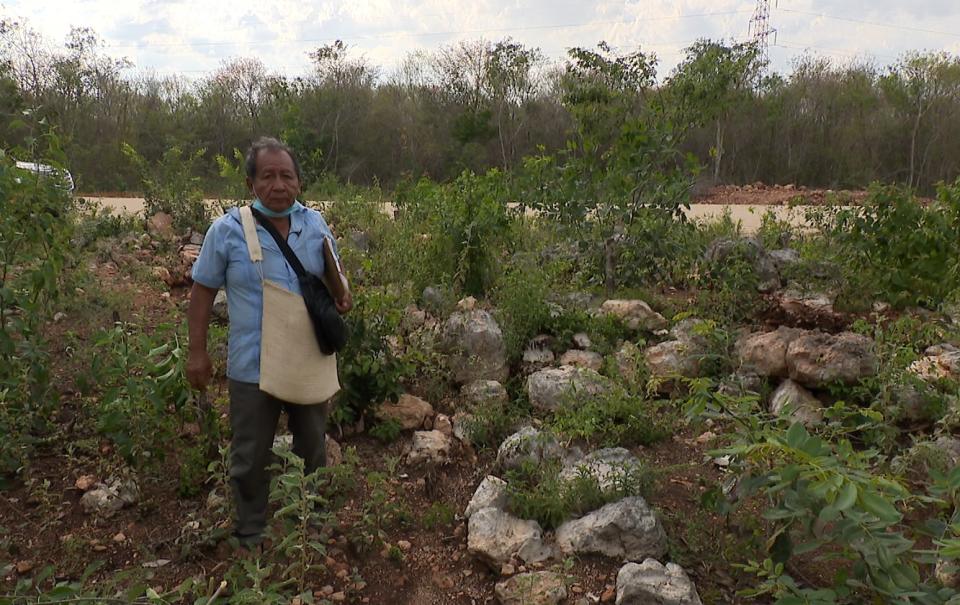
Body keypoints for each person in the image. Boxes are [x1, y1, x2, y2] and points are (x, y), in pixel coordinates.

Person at [186, 136, 351, 546]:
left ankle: (310, 525)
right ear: (250, 183)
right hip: (251, 364)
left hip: (307, 357)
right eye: (268, 176)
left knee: (313, 445)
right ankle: (250, 532)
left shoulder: (315, 224)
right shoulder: (226, 231)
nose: (278, 185)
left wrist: (342, 294)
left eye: (287, 176)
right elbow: (202, 292)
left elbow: (336, 282)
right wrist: (197, 352)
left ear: (299, 182)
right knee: (250, 453)